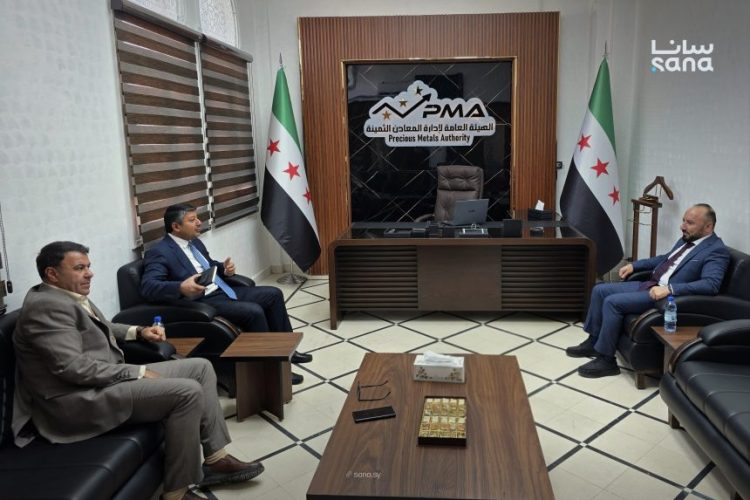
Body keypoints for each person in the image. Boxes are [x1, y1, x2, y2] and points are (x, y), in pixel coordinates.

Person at [12, 241, 264, 500]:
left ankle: (215, 460)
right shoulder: (46, 308)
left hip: (102, 382)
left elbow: (101, 325)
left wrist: (139, 331)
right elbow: (72, 368)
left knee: (200, 368)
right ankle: (176, 493)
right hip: (77, 401)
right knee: (187, 392)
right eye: (79, 268)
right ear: (52, 273)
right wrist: (137, 372)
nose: (89, 273)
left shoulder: (65, 295)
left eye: (88, 266)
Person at [140, 203, 311, 384]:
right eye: (192, 220)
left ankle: (288, 352)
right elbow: (149, 287)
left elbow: (208, 265)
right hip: (202, 301)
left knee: (273, 294)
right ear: (176, 226)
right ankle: (272, 371)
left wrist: (223, 268)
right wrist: (180, 287)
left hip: (221, 289)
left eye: (197, 218)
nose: (199, 222)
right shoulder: (159, 252)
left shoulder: (194, 242)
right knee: (254, 311)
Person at [566, 203, 730, 378]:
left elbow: (710, 285)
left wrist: (669, 289)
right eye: (683, 220)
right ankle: (594, 341)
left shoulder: (716, 250)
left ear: (708, 227)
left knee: (612, 302)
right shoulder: (687, 239)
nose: (682, 226)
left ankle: (607, 360)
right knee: (599, 290)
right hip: (650, 284)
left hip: (666, 298)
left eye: (689, 223)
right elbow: (665, 259)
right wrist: (634, 266)